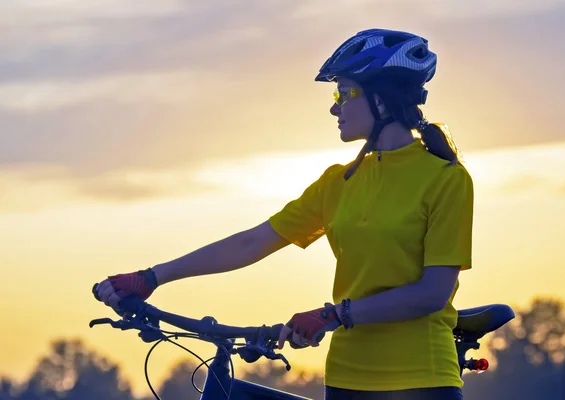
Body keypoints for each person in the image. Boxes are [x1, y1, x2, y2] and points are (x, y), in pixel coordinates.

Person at [94, 28, 473, 400]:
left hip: (422, 380)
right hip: (347, 377)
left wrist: (334, 315)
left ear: (383, 100)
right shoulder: (338, 182)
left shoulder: (445, 179)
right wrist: (151, 277)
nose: (334, 106)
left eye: (344, 92)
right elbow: (253, 241)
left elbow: (432, 293)